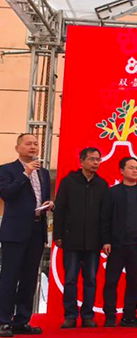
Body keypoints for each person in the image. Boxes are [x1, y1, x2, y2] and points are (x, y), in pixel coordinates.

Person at [0, 134, 52, 336]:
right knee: (9, 277)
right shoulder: (7, 170)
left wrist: (48, 204)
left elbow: (40, 198)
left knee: (30, 278)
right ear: (17, 148)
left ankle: (22, 321)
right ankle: (4, 321)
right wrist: (26, 173)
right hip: (15, 231)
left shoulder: (44, 172)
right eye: (28, 143)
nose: (33, 147)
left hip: (37, 230)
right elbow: (7, 194)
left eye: (36, 144)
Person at [53, 147, 108, 329]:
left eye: (98, 160)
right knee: (70, 279)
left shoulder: (102, 184)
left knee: (91, 279)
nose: (95, 163)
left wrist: (105, 239)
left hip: (93, 241)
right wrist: (58, 235)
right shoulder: (69, 182)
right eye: (92, 159)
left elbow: (105, 215)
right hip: (71, 239)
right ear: (82, 161)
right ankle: (70, 315)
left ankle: (87, 316)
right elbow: (60, 209)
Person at [100, 157, 137, 328]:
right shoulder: (112, 192)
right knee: (111, 282)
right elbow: (105, 218)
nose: (135, 171)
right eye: (131, 168)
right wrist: (106, 240)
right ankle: (110, 316)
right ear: (121, 171)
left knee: (134, 282)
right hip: (116, 245)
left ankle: (129, 316)